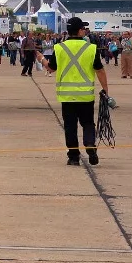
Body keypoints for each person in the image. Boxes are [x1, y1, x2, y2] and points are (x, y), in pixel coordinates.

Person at [43, 17, 109, 166]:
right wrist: (105, 90)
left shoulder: (59, 48)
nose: (85, 30)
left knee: (70, 127)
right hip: (86, 96)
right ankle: (90, 144)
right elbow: (100, 70)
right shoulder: (91, 48)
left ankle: (73, 156)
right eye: (83, 28)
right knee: (87, 123)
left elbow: (51, 68)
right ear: (79, 31)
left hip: (67, 96)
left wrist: (42, 59)